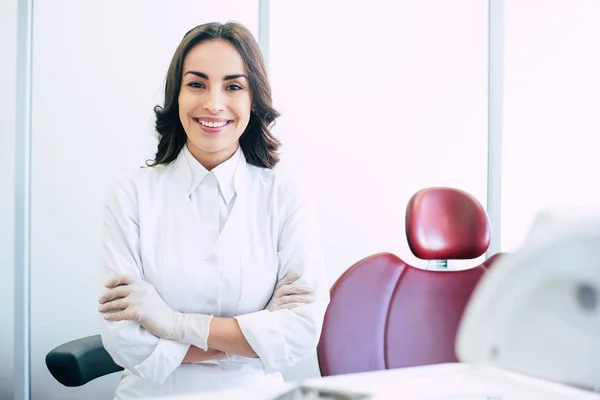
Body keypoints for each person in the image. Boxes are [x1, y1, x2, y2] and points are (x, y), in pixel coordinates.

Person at [96, 21, 330, 399]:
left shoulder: (285, 196)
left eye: (233, 86)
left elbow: (300, 333)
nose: (214, 103)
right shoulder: (131, 194)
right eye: (197, 84)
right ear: (177, 95)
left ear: (253, 100)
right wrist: (257, 333)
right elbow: (125, 340)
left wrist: (169, 322)